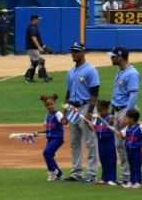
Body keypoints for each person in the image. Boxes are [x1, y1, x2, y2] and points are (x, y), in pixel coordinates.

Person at [63, 42, 100, 182]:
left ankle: (91, 174)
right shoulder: (70, 71)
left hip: (86, 107)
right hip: (73, 109)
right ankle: (76, 173)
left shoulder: (91, 70)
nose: (74, 53)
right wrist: (65, 112)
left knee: (90, 142)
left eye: (77, 51)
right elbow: (68, 93)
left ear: (83, 52)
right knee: (74, 142)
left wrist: (90, 111)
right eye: (73, 51)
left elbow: (95, 93)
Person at [108, 46, 141, 186]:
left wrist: (127, 115)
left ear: (120, 57)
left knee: (126, 145)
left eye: (113, 56)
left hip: (125, 111)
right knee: (120, 145)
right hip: (117, 110)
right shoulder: (120, 71)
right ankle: (125, 176)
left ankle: (129, 177)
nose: (111, 58)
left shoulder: (132, 73)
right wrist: (111, 112)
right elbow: (117, 93)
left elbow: (133, 95)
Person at [117, 108, 142, 188]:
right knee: (131, 166)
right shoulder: (127, 128)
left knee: (137, 167)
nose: (125, 119)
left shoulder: (140, 127)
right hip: (128, 150)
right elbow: (122, 134)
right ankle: (131, 182)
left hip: (137, 151)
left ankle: (138, 182)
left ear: (132, 119)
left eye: (127, 118)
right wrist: (120, 135)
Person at [40, 93, 68, 181]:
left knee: (46, 152)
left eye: (51, 104)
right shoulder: (47, 116)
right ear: (45, 106)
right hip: (50, 138)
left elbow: (64, 122)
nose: (50, 106)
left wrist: (66, 118)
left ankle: (52, 171)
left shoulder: (58, 114)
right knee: (49, 155)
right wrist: (39, 132)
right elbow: (48, 129)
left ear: (55, 104)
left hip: (57, 138)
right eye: (48, 105)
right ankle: (59, 174)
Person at [92, 100, 118, 186]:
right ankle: (104, 178)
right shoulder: (98, 118)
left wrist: (112, 118)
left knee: (111, 160)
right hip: (100, 142)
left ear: (106, 109)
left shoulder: (110, 117)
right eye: (98, 110)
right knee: (103, 160)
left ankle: (112, 179)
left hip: (109, 141)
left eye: (101, 110)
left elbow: (112, 124)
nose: (99, 112)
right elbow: (94, 127)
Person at [25, 14, 52, 83]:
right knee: (41, 61)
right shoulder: (32, 28)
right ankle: (44, 77)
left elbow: (38, 39)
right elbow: (33, 38)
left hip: (32, 48)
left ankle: (28, 77)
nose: (39, 20)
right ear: (34, 19)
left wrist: (43, 46)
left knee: (34, 63)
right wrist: (39, 47)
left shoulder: (33, 27)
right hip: (32, 48)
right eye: (38, 19)